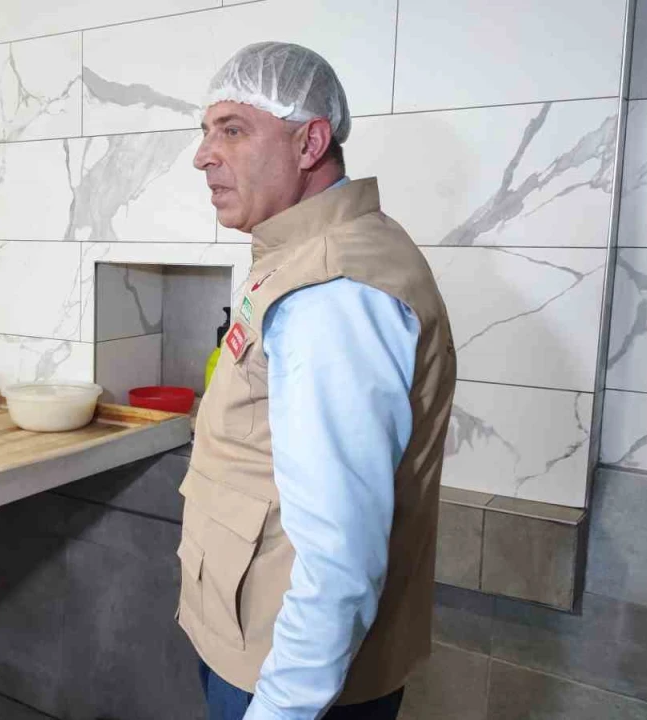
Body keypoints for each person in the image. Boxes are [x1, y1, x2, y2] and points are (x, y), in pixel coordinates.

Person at [180, 42, 457, 720]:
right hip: (259, 642)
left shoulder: (332, 291)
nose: (203, 155)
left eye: (232, 130)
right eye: (207, 131)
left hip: (286, 679)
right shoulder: (310, 256)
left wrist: (280, 709)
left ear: (309, 143)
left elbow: (339, 557)